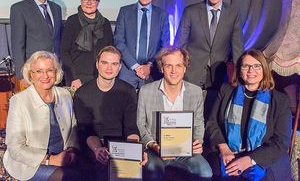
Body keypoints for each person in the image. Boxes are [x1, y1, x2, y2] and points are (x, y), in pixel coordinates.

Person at [205, 49, 292, 181]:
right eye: (246, 66)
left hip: (263, 156)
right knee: (218, 170)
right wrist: (224, 148)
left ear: (264, 69)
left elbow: (281, 141)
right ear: (239, 70)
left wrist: (251, 159)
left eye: (257, 66)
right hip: (229, 151)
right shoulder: (226, 91)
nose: (251, 71)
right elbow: (212, 123)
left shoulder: (280, 100)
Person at [3, 51, 82, 181]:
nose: (45, 76)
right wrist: (50, 160)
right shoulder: (19, 101)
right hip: (29, 164)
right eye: (39, 71)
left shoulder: (65, 95)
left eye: (50, 70)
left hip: (63, 155)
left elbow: (73, 128)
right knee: (69, 177)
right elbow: (15, 148)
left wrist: (72, 150)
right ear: (31, 75)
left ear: (56, 72)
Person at [137, 47, 212, 181]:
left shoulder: (195, 92)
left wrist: (198, 142)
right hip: (155, 149)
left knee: (205, 171)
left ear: (185, 68)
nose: (174, 71)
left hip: (184, 149)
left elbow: (199, 123)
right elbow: (140, 124)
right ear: (161, 68)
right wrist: (154, 146)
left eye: (178, 65)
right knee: (154, 171)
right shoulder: (145, 91)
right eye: (168, 66)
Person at [73, 46, 144, 181]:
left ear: (120, 67)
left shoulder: (128, 91)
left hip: (121, 144)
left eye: (114, 64)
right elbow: (85, 131)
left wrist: (135, 151)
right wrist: (98, 150)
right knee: (102, 171)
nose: (109, 68)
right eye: (104, 63)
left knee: (136, 172)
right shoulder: (82, 93)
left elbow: (131, 127)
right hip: (93, 145)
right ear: (97, 64)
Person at [174, 0, 243, 90]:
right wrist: (179, 69)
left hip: (220, 75)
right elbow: (179, 44)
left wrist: (240, 74)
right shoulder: (191, 11)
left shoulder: (233, 13)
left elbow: (237, 46)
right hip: (192, 73)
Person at [114, 0, 170, 89]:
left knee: (150, 106)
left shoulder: (162, 15)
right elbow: (118, 41)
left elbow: (165, 45)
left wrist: (149, 65)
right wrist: (135, 66)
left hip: (152, 72)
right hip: (127, 71)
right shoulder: (125, 12)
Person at [10, 0, 63, 88]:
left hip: (54, 71)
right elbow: (17, 44)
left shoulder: (56, 9)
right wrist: (21, 75)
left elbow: (57, 39)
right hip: (34, 73)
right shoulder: (19, 8)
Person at [61, 0, 113, 91]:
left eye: (92, 0)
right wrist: (74, 77)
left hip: (100, 77)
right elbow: (64, 52)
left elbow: (110, 51)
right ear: (81, 1)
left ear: (98, 2)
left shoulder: (105, 23)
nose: (89, 3)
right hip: (76, 78)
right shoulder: (72, 21)